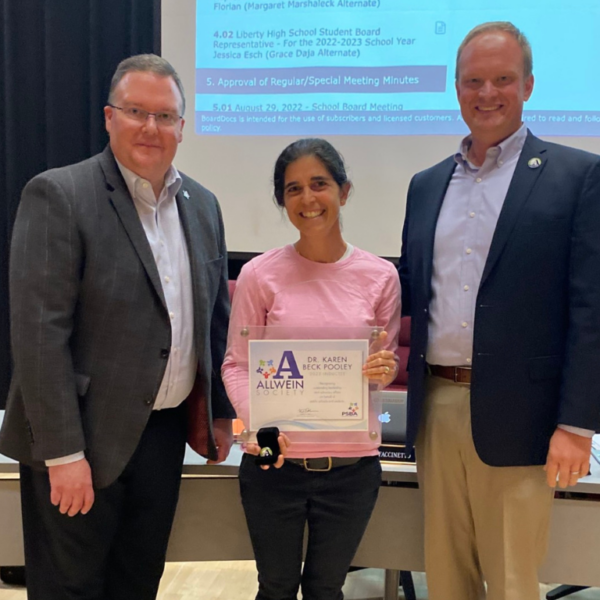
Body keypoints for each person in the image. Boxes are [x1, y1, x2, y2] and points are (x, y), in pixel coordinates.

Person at [0, 54, 235, 600]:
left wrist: (219, 411)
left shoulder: (204, 205)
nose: (151, 127)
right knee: (71, 589)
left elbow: (213, 323)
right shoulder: (59, 195)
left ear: (183, 126)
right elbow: (39, 339)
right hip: (81, 440)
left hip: (162, 437)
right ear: (109, 117)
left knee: (138, 583)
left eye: (165, 115)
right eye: (136, 111)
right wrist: (63, 455)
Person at [399, 21, 600, 600]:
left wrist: (576, 423)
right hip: (435, 410)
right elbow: (414, 292)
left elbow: (591, 310)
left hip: (525, 418)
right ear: (456, 89)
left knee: (513, 581)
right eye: (473, 81)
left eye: (503, 79)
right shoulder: (425, 184)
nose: (487, 93)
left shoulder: (576, 176)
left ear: (529, 85)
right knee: (446, 576)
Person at [222, 138, 401, 600]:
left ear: (344, 192)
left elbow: (384, 367)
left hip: (351, 468)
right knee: (276, 587)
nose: (307, 199)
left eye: (319, 184)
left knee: (326, 589)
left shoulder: (381, 276)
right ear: (283, 201)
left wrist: (381, 370)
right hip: (273, 464)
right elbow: (236, 366)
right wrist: (261, 426)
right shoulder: (260, 275)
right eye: (293, 189)